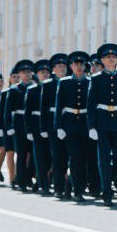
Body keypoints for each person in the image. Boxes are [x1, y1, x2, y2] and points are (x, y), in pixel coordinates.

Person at [87, 43, 117, 207]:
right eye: (108, 57)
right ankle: (107, 192)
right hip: (103, 122)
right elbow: (91, 104)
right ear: (102, 60)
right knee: (104, 159)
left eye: (114, 57)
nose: (111, 59)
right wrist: (91, 126)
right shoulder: (96, 78)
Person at [54, 51, 92, 202]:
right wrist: (59, 126)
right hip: (69, 125)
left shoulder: (90, 82)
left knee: (83, 159)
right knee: (74, 157)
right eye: (76, 64)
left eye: (81, 64)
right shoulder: (64, 82)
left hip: (84, 124)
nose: (78, 67)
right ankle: (78, 191)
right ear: (71, 66)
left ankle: (71, 186)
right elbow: (59, 106)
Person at [4, 59, 35, 191]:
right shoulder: (14, 90)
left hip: (32, 125)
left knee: (33, 154)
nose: (26, 75)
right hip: (19, 125)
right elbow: (7, 110)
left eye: (28, 72)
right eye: (24, 72)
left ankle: (28, 178)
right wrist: (9, 127)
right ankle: (21, 181)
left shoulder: (34, 88)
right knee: (22, 154)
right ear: (19, 74)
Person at [25, 59, 53, 196]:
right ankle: (44, 185)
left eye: (47, 72)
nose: (45, 75)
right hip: (36, 127)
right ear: (37, 74)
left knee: (50, 157)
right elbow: (27, 112)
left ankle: (43, 180)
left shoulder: (52, 87)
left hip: (49, 125)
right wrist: (29, 130)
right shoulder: (32, 90)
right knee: (39, 157)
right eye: (43, 73)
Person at [45, 54, 69, 198]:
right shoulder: (48, 85)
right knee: (58, 157)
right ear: (53, 69)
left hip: (70, 123)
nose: (62, 68)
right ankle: (58, 188)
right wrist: (43, 128)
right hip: (53, 125)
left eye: (64, 66)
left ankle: (69, 186)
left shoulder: (69, 82)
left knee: (71, 157)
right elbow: (44, 108)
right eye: (59, 66)